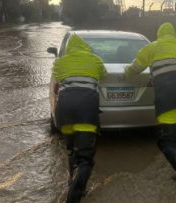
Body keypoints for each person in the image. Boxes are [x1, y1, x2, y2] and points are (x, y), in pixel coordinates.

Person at [124, 22, 176, 203]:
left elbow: (133, 70)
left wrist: (125, 74)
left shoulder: (151, 48)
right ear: (173, 34)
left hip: (168, 98)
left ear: (158, 35)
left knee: (165, 141)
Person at [52, 35, 107, 203]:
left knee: (72, 151)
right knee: (85, 158)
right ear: (85, 47)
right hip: (86, 111)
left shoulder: (60, 62)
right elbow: (102, 75)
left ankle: (73, 182)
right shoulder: (95, 60)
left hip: (65, 111)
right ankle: (74, 195)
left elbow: (60, 79)